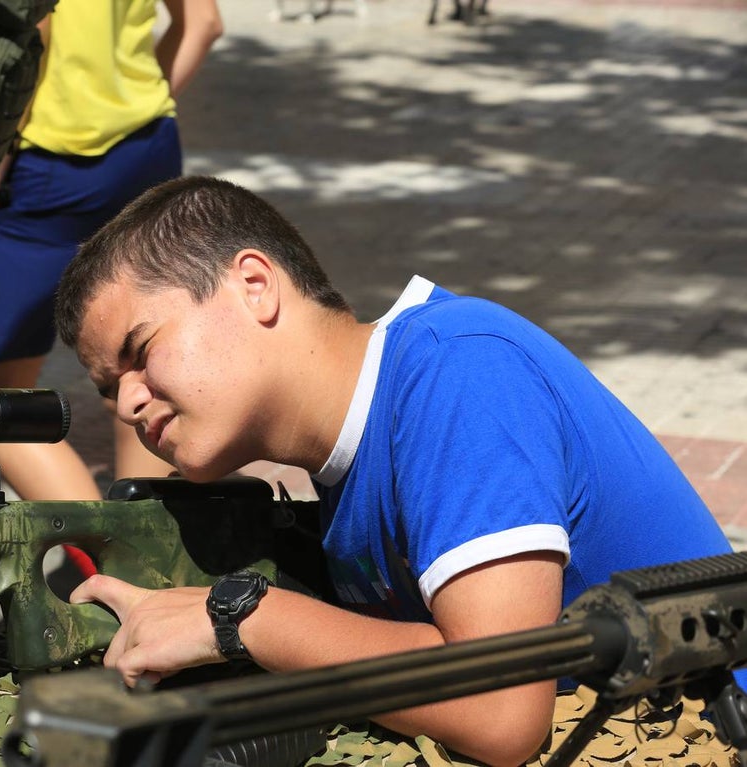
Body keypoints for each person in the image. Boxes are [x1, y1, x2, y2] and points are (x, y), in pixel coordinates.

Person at [52, 176, 738, 766]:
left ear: (254, 284)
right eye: (110, 388)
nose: (129, 400)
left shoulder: (456, 370)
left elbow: (501, 710)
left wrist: (238, 617)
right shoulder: (351, 451)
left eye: (140, 351)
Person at [0, 0, 223, 518]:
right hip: (146, 147)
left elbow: (33, 37)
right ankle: (151, 549)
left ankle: (100, 544)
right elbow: (204, 23)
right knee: (140, 366)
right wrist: (142, 102)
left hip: (40, 163)